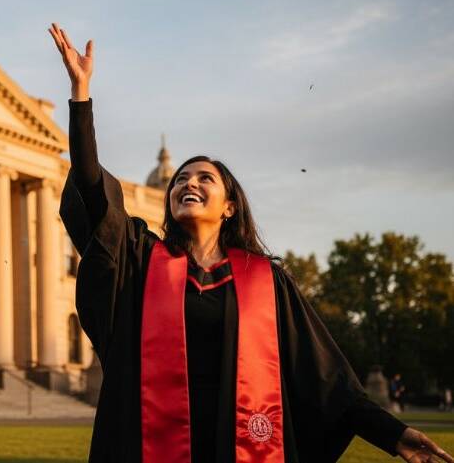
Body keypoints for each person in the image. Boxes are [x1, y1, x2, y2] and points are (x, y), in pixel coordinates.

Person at [47, 23, 453, 463]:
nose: (189, 183)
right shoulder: (143, 260)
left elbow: (325, 376)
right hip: (148, 443)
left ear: (229, 206)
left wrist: (393, 433)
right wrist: (81, 97)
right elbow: (92, 193)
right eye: (181, 179)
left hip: (238, 445)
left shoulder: (264, 281)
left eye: (205, 178)